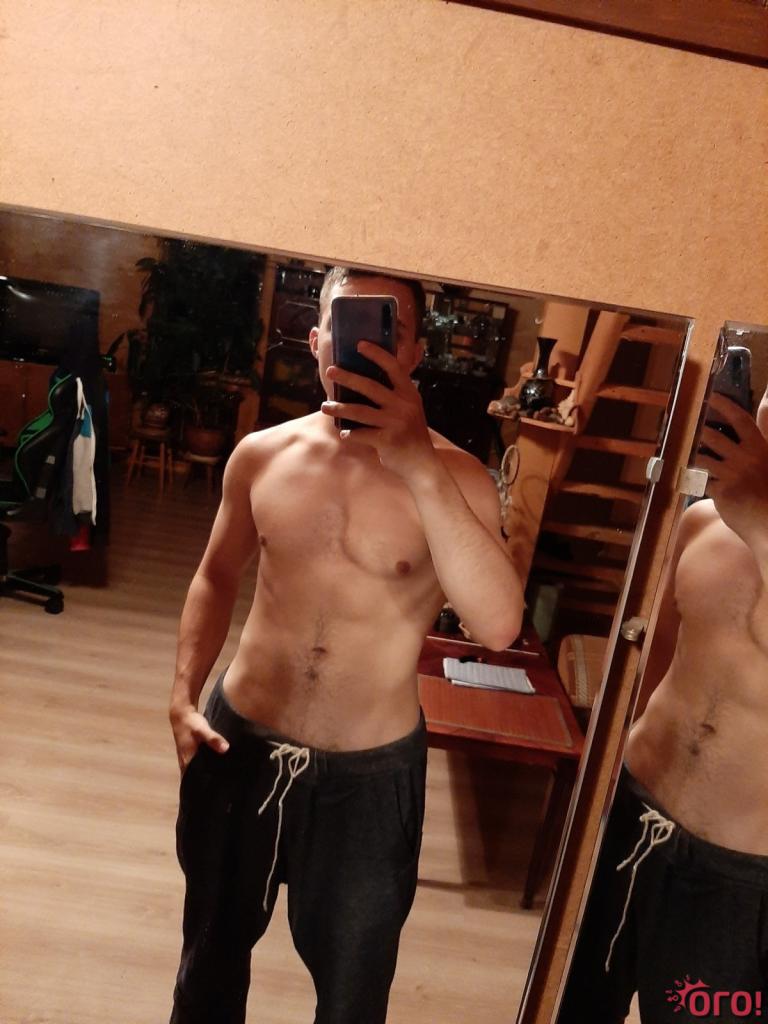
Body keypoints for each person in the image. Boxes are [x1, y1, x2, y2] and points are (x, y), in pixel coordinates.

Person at [168, 266, 524, 1024]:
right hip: (240, 745)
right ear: (316, 337)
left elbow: (497, 626)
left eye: (389, 327)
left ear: (414, 352)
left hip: (368, 779)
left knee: (352, 997)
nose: (364, 343)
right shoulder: (262, 454)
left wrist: (418, 464)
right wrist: (181, 695)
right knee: (207, 966)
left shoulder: (458, 479)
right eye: (346, 321)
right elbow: (215, 574)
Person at [558, 386, 768, 1023]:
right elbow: (651, 665)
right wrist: (601, 773)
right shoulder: (702, 523)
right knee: (573, 1007)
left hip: (739, 877)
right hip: (630, 815)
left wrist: (761, 519)